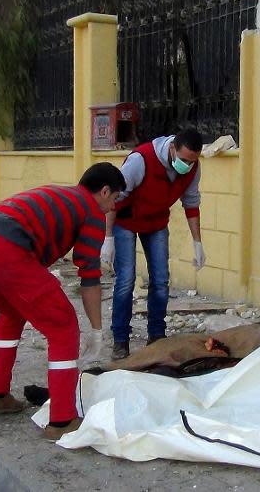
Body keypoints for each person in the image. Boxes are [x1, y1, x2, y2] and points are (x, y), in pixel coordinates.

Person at [0, 162, 126, 440]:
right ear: (105, 191)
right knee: (62, 327)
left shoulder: (61, 195)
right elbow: (89, 276)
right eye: (115, 199)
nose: (113, 207)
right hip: (6, 250)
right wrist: (96, 330)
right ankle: (62, 421)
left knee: (12, 314)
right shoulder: (91, 211)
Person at [101, 128, 206, 360]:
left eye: (192, 161)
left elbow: (191, 202)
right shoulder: (141, 160)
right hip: (125, 221)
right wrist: (108, 237)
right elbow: (114, 198)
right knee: (126, 280)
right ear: (172, 148)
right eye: (184, 159)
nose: (187, 166)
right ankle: (120, 340)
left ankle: (157, 337)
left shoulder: (192, 168)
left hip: (156, 222)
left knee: (160, 280)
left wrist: (197, 242)